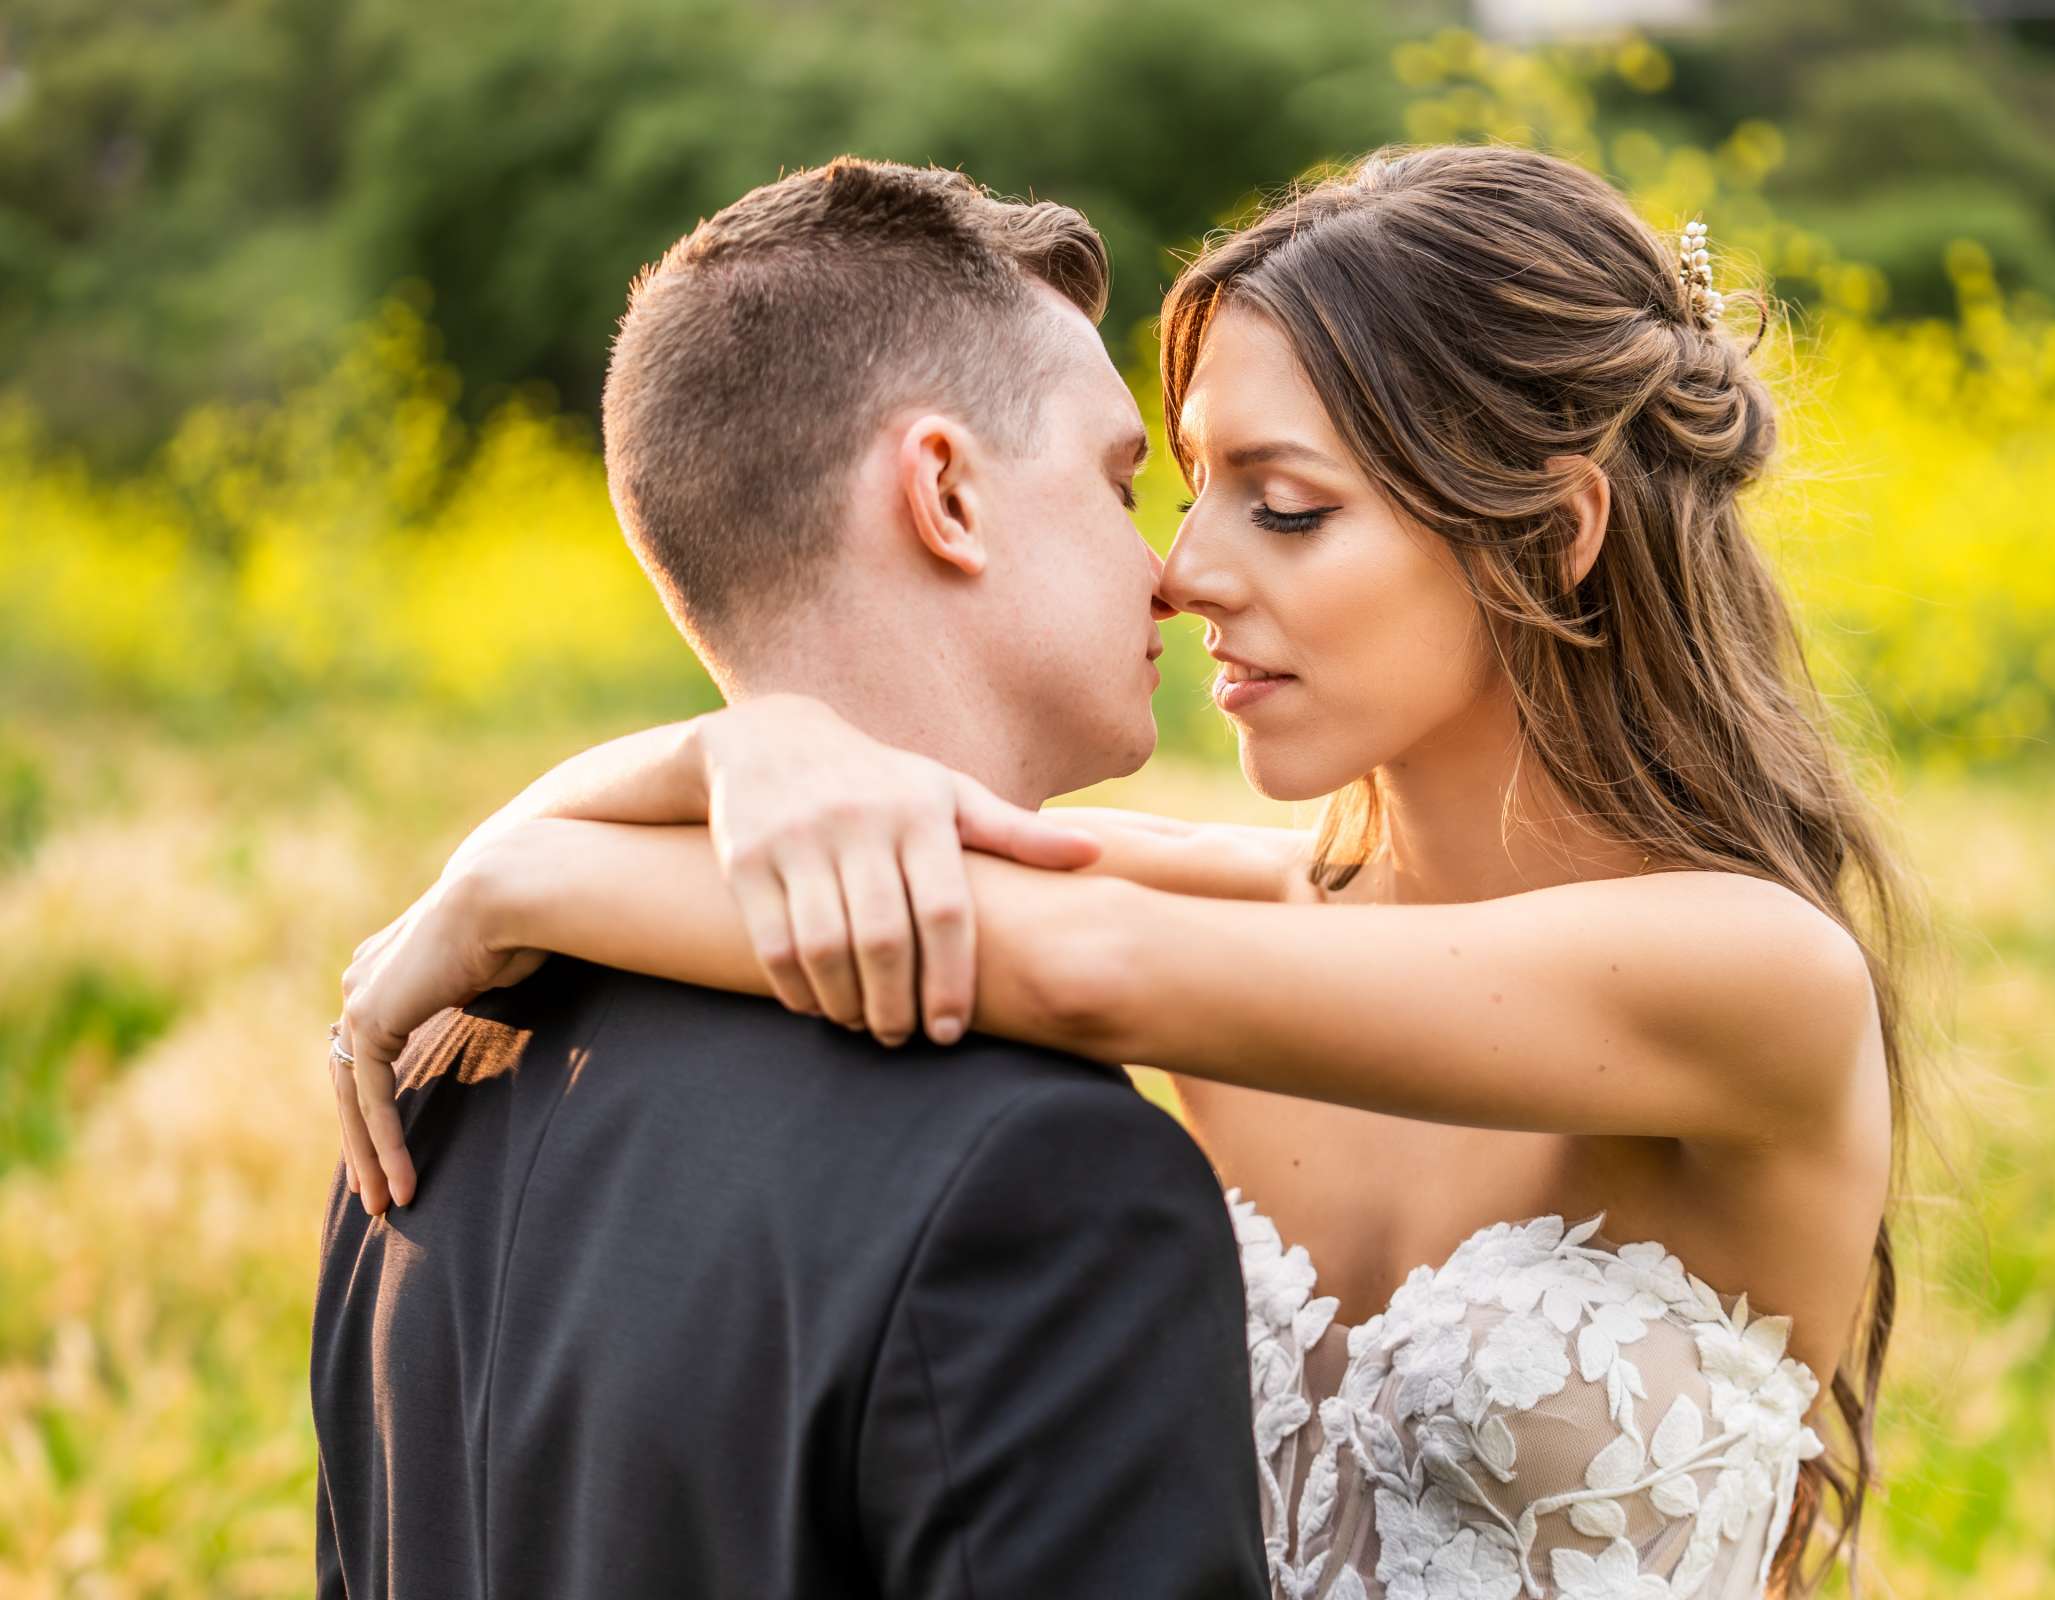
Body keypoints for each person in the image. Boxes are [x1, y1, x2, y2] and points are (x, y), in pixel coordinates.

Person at [340, 145, 1925, 1598]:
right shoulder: (1272, 910)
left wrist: (513, 894)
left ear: (1551, 533)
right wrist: (717, 760)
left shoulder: (1758, 975)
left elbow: (1064, 955)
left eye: (1288, 509)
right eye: (1183, 490)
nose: (1188, 571)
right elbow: (943, 863)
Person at [311, 158, 1272, 1600]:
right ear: (944, 491)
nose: (1170, 572)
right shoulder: (1044, 1177)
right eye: (1119, 481)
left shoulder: (435, 1061)